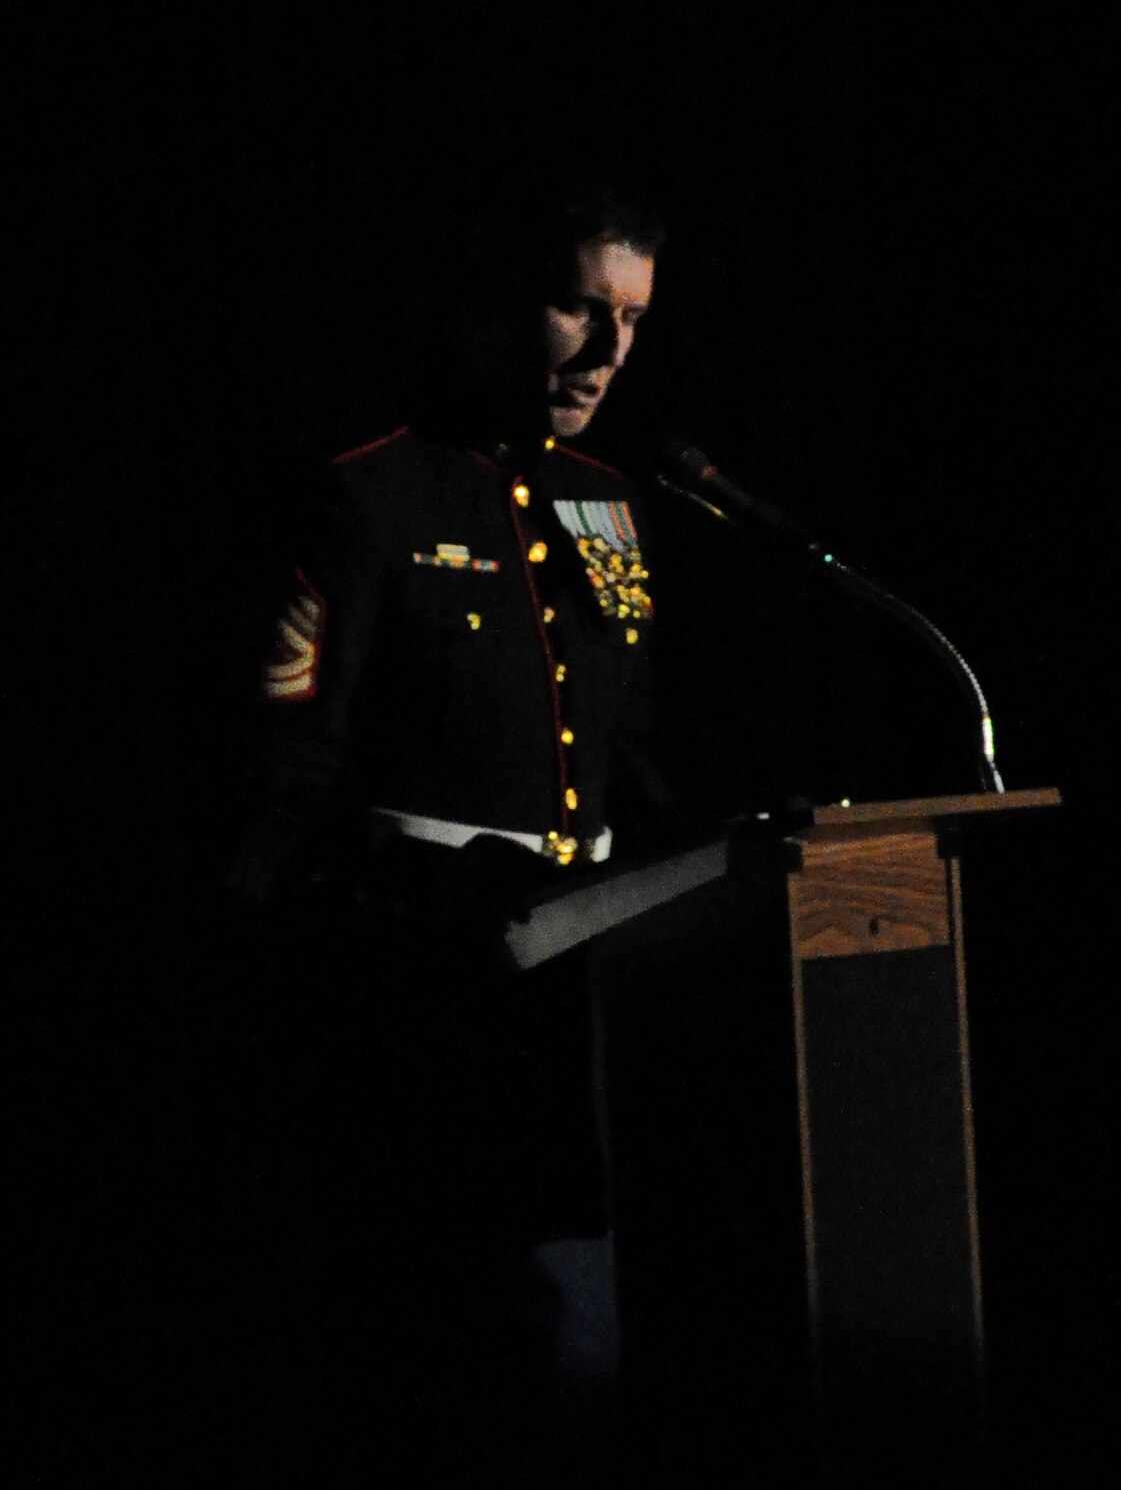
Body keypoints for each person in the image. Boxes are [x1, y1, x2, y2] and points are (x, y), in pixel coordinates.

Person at [231, 179, 672, 1485]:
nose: (607, 351)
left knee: (578, 1360)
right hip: (419, 1007)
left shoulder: (611, 506)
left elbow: (630, 760)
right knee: (438, 1362)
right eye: (580, 308)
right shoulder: (370, 494)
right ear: (499, 303)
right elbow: (289, 768)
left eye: (635, 320)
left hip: (589, 1012)